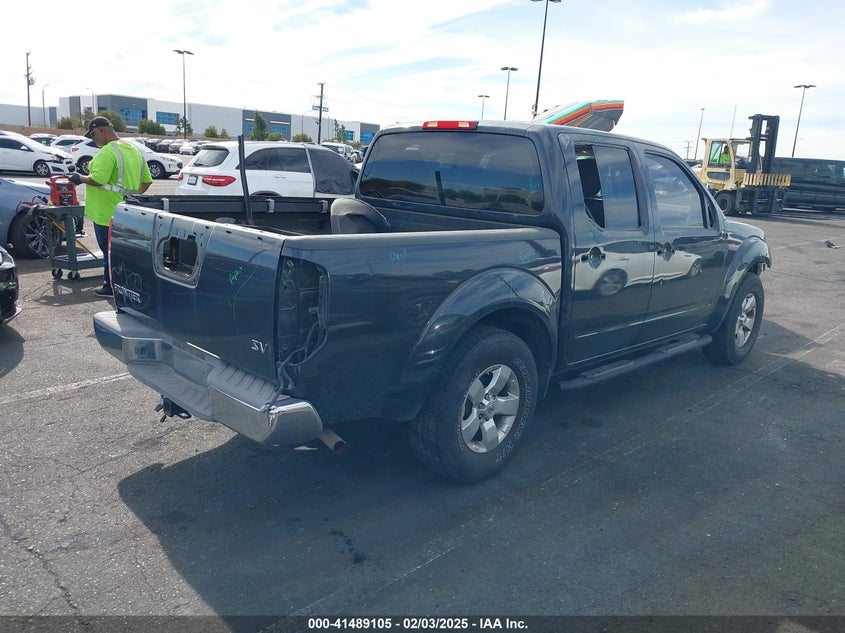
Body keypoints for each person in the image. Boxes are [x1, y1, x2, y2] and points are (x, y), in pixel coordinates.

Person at [67, 116, 153, 297]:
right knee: (124, 253)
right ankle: (126, 285)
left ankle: (110, 287)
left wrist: (79, 178)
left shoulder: (107, 152)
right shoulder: (134, 150)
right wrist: (132, 195)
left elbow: (98, 179)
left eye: (93, 134)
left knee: (109, 253)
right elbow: (146, 181)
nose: (93, 139)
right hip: (127, 212)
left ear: (102, 130)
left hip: (106, 214)